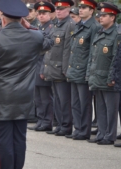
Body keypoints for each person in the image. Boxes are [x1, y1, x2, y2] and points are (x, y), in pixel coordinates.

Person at [0, 0, 45, 168]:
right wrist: (30, 26)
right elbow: (50, 41)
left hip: (2, 97)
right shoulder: (35, 36)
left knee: (3, 140)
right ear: (22, 18)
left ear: (2, 17)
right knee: (19, 139)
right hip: (24, 95)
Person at [86, 2, 121, 145]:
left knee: (110, 109)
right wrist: (89, 74)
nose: (100, 18)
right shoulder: (100, 33)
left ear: (112, 18)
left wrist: (112, 77)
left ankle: (110, 135)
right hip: (97, 76)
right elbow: (92, 56)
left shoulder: (116, 34)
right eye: (100, 15)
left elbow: (116, 58)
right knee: (100, 107)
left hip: (108, 77)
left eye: (104, 15)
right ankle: (101, 133)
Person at [65, 0, 100, 140]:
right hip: (74, 69)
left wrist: (89, 73)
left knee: (84, 103)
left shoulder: (94, 27)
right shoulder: (78, 25)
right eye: (80, 7)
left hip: (84, 70)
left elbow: (93, 52)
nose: (81, 10)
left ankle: (84, 130)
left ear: (92, 11)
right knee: (75, 103)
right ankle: (78, 129)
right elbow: (73, 50)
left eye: (84, 8)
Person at [43, 0, 75, 136]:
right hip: (53, 67)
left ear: (68, 9)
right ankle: (61, 124)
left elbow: (68, 49)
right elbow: (50, 48)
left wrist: (66, 68)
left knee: (64, 99)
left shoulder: (70, 25)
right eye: (57, 9)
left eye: (62, 9)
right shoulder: (56, 24)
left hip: (61, 68)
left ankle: (66, 125)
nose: (58, 11)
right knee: (57, 99)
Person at [27, 1, 55, 132]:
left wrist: (44, 69)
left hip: (44, 65)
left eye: (44, 13)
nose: (41, 16)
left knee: (45, 98)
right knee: (37, 97)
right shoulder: (38, 27)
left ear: (50, 14)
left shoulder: (52, 28)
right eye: (39, 13)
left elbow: (46, 48)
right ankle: (40, 120)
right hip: (34, 65)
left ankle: (47, 121)